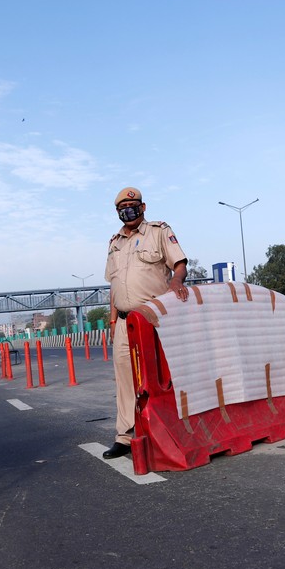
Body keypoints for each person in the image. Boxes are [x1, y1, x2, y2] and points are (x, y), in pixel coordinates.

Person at [102, 186, 189, 459]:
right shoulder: (115, 243)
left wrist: (177, 280)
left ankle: (171, 431)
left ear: (143, 207)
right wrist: (113, 321)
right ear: (117, 212)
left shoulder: (159, 231)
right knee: (125, 380)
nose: (128, 211)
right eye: (122, 208)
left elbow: (179, 263)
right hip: (124, 322)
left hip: (153, 318)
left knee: (162, 377)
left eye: (133, 206)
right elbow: (114, 285)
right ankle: (125, 437)